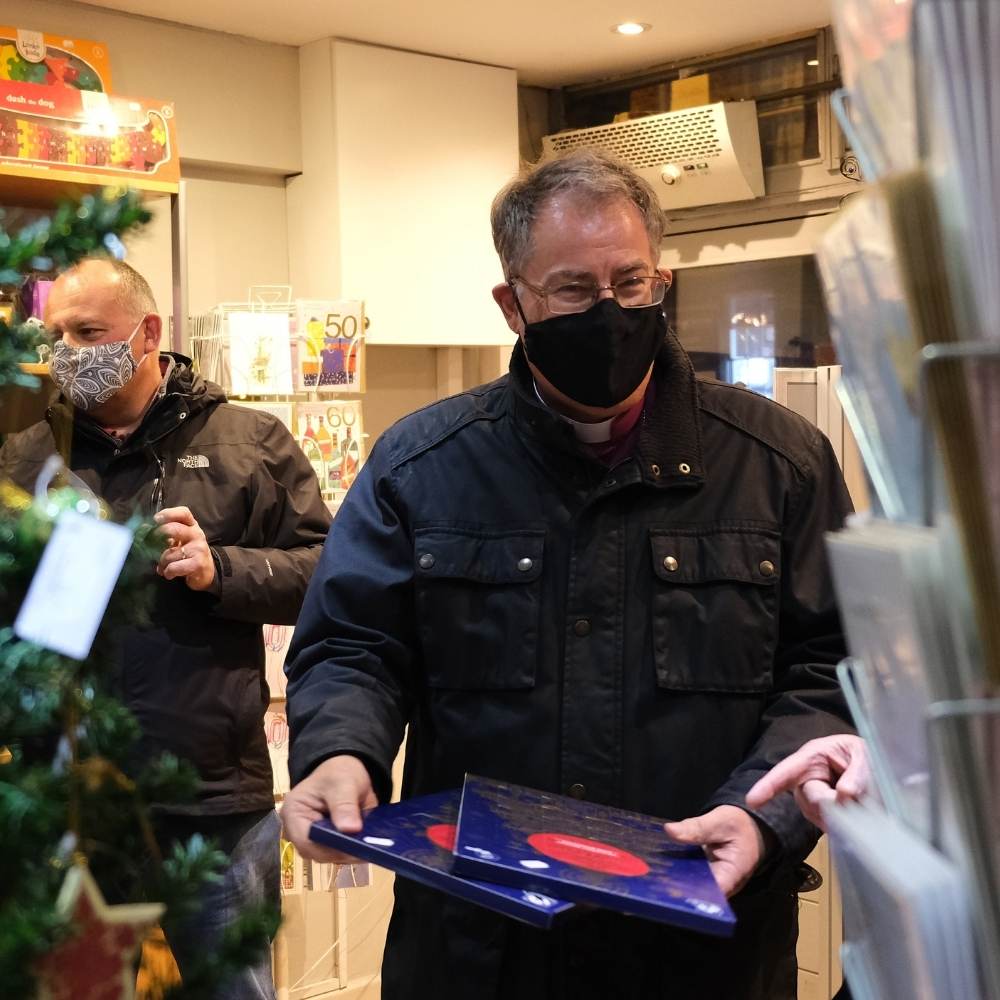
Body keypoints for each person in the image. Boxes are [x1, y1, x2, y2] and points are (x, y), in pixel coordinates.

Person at [281, 149, 854, 1000]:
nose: (612, 312)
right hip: (481, 945)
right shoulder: (422, 465)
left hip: (702, 939)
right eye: (576, 291)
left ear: (661, 281)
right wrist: (337, 751)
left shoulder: (779, 463)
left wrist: (759, 814)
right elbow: (356, 646)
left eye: (631, 283)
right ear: (514, 306)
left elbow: (835, 668)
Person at [0, 257, 331, 998]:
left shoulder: (250, 442)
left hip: (214, 799)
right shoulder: (26, 458)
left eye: (88, 332)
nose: (67, 352)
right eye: (56, 333)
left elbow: (329, 575)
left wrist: (223, 570)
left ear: (148, 333)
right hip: (73, 799)